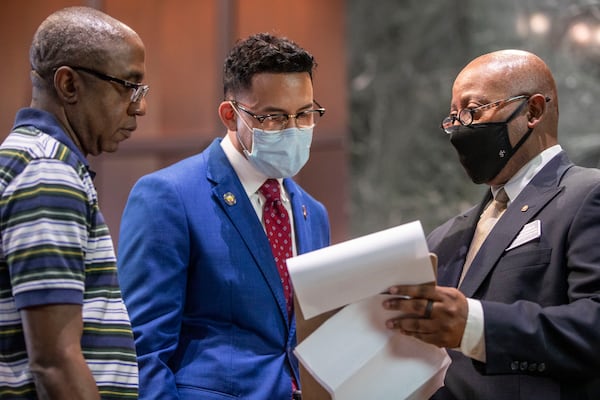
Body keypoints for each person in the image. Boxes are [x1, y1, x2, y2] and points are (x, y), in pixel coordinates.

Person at [117, 33, 330, 400]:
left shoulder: (314, 213)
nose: (293, 129)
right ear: (230, 115)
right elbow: (143, 352)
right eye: (274, 117)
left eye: (305, 114)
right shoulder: (169, 196)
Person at [382, 49, 600, 399]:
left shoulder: (587, 195)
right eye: (453, 117)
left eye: (474, 110)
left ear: (533, 110)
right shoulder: (447, 236)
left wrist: (476, 326)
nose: (459, 129)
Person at [0, 6, 148, 400]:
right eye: (128, 86)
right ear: (68, 85)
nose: (140, 106)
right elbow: (55, 361)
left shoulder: (39, 161)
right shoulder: (47, 171)